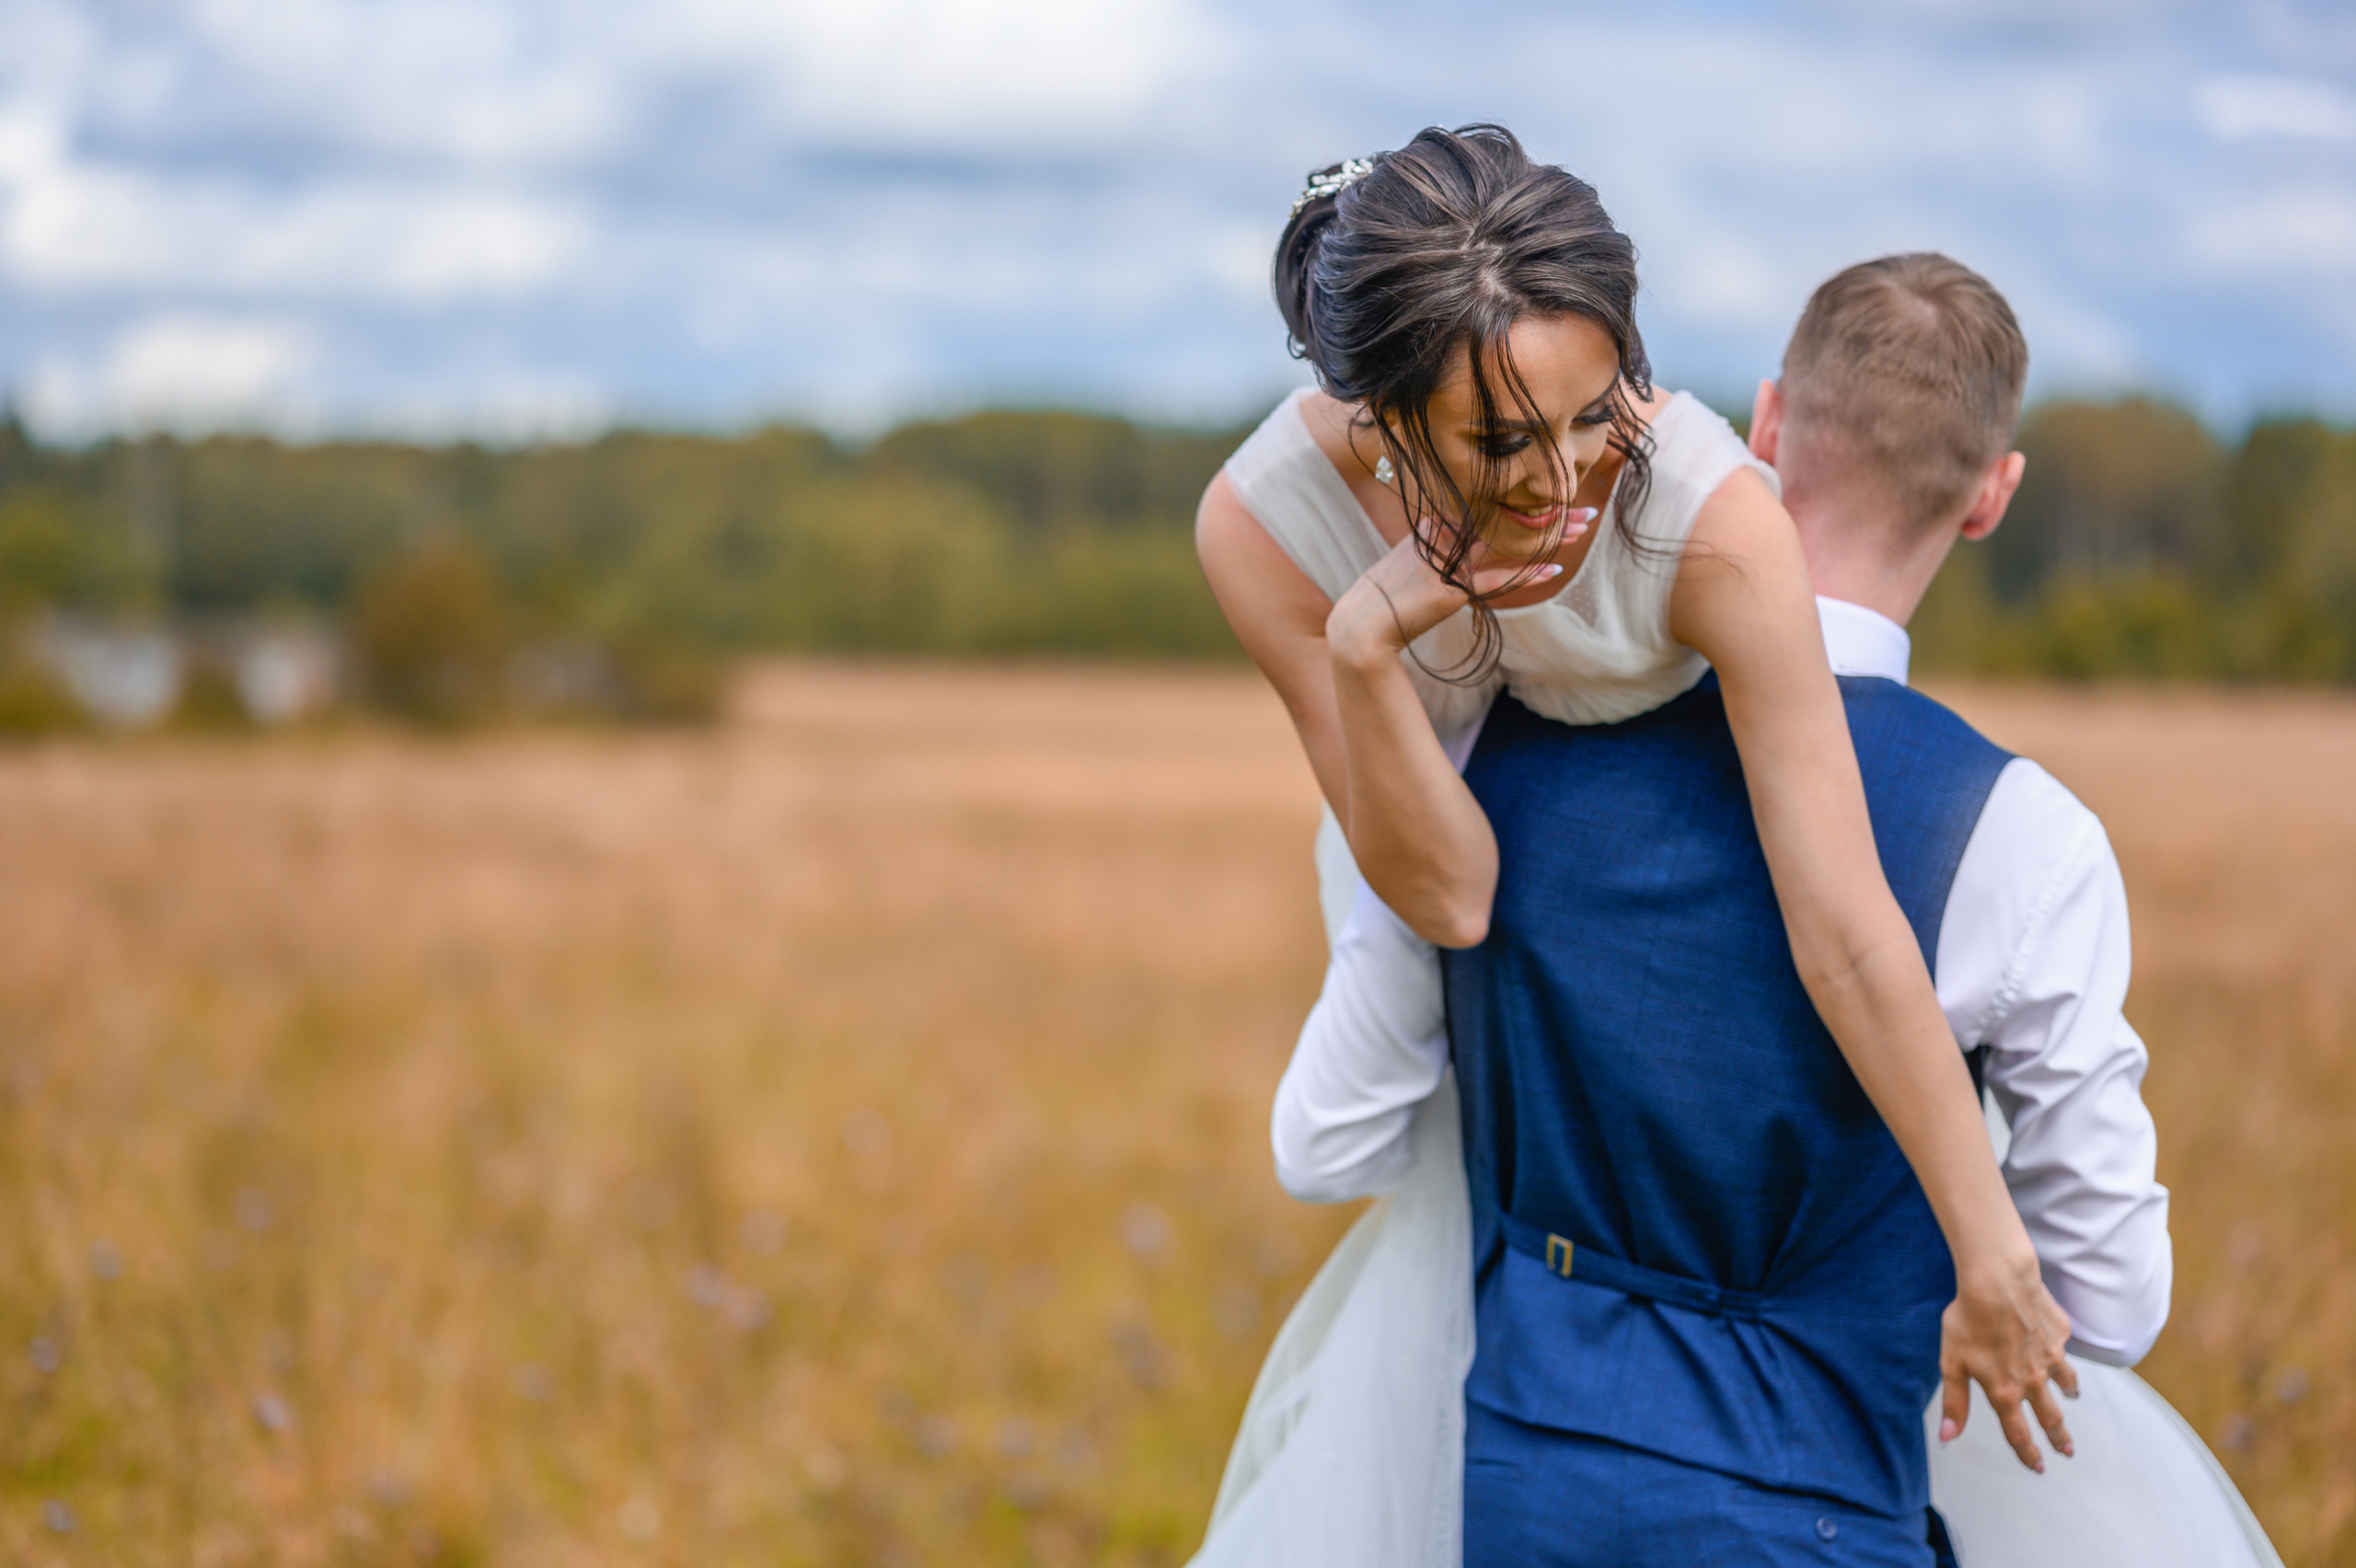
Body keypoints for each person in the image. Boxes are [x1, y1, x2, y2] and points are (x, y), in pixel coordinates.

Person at [1189, 131, 2279, 1564]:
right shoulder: (1264, 531)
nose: (1573, 480)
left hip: (1591, 1197)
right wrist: (1369, 645)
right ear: (1384, 422)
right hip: (1438, 840)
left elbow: (1842, 919)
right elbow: (1444, 889)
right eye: (1510, 441)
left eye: (1604, 408)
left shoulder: (1702, 514)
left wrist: (1989, 1243)